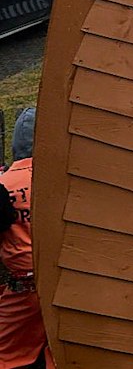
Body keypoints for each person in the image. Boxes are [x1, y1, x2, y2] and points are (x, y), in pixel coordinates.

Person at [0, 110, 41, 369]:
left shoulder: (5, 183)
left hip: (22, 290)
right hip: (69, 283)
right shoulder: (62, 179)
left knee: (7, 356)